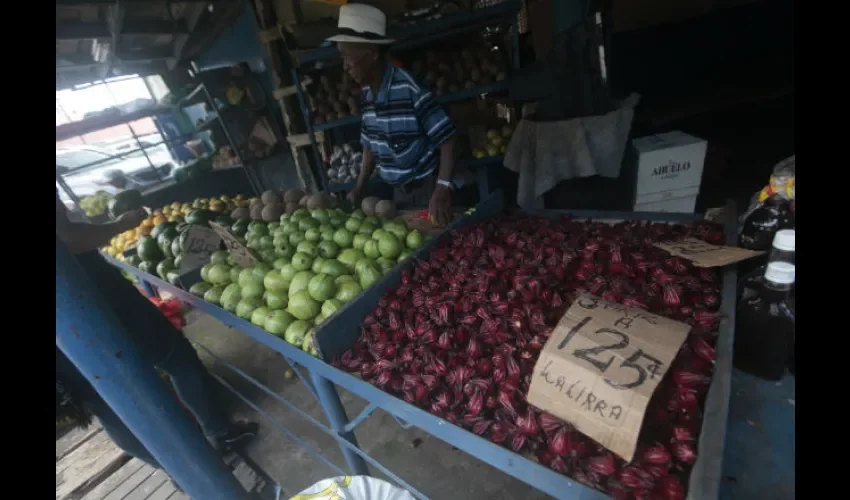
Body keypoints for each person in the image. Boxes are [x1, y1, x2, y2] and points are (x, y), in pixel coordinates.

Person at [55, 189, 258, 472]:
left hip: (67, 329)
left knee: (104, 400)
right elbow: (68, 238)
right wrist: (121, 224)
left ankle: (183, 469)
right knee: (173, 357)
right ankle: (214, 445)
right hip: (85, 298)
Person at [331, 4, 457, 226]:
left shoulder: (410, 89)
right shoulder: (368, 94)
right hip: (398, 195)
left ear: (371, 55)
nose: (345, 67)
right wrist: (360, 186)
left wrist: (442, 187)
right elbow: (370, 143)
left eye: (348, 57)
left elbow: (447, 138)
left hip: (426, 191)